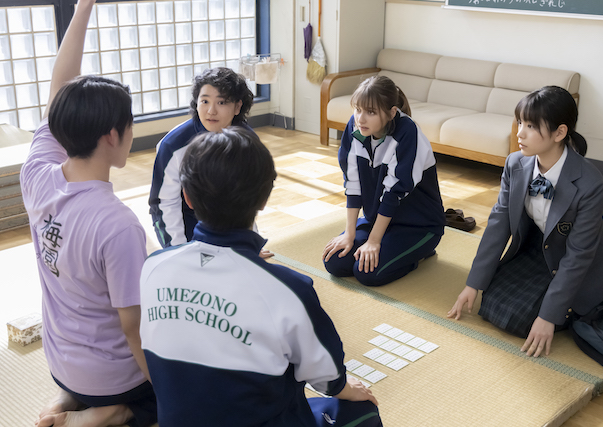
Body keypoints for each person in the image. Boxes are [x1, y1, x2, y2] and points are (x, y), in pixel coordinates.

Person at [139, 127, 382, 427]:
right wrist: (346, 389)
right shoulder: (289, 289)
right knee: (363, 412)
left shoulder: (153, 268)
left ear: (186, 197)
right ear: (265, 198)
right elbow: (327, 377)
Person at [20, 1, 157, 426]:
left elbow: (59, 88)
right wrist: (164, 384)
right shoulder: (118, 225)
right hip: (111, 378)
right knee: (186, 379)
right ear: (113, 135)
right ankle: (105, 414)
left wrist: (82, 8)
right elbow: (134, 328)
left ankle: (69, 399)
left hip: (59, 362)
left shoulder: (36, 174)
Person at [448, 86, 603, 358]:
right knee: (490, 302)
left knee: (523, 320)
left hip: (579, 263)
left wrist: (549, 317)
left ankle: (587, 303)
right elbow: (499, 224)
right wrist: (474, 283)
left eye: (530, 126)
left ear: (559, 133)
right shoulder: (515, 163)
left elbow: (578, 256)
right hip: (538, 248)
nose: (520, 133)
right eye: (520, 122)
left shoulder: (591, 185)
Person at [322, 75, 446, 286]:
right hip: (377, 220)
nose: (361, 119)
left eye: (370, 112)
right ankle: (386, 245)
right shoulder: (355, 128)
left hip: (418, 225)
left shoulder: (407, 133)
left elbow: (392, 194)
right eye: (358, 109)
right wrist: (349, 234)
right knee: (335, 262)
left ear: (391, 113)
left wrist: (373, 241)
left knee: (367, 273)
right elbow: (352, 184)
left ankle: (418, 253)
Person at [148, 67, 273, 257]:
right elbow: (164, 203)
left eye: (221, 102)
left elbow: (248, 196)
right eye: (204, 101)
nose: (211, 111)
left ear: (237, 107)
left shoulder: (246, 140)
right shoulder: (173, 145)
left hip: (230, 220)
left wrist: (250, 243)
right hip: (190, 220)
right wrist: (179, 251)